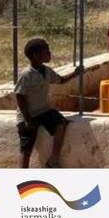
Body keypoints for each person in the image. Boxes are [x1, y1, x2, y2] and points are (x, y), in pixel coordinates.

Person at [15, 38, 83, 168]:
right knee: (26, 148)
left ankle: (53, 160)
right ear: (35, 55)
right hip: (28, 115)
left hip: (43, 111)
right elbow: (19, 96)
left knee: (61, 123)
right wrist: (28, 119)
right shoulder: (27, 75)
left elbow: (60, 80)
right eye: (46, 51)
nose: (49, 54)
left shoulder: (46, 71)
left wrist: (75, 74)